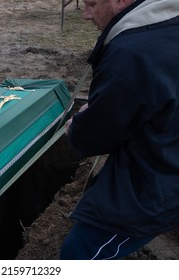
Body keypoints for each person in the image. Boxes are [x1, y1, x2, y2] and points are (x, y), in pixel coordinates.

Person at [61, 0, 179, 260]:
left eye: (91, 4)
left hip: (155, 183)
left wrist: (77, 126)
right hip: (168, 147)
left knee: (80, 253)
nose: (85, 15)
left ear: (121, 2)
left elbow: (99, 133)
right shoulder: (167, 27)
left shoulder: (131, 52)